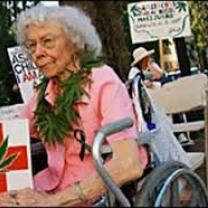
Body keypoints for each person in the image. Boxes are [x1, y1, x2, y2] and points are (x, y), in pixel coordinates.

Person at [0, 4, 148, 206]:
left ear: (75, 41)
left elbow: (129, 164)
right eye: (32, 45)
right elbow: (12, 134)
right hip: (49, 187)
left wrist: (53, 202)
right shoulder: (44, 93)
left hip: (95, 193)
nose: (37, 53)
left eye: (47, 42)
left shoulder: (103, 81)